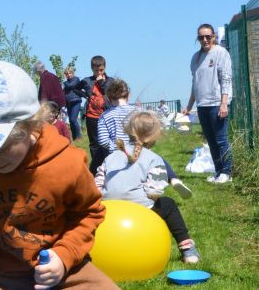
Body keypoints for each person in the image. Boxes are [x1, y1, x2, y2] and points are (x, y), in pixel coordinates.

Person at [0, 61, 118, 290]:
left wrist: (64, 256)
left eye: (0, 146)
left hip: (59, 273)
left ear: (31, 124)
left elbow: (87, 213)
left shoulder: (67, 163)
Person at [95, 111, 201, 264]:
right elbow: (154, 191)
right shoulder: (155, 158)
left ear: (128, 131)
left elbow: (97, 184)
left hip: (108, 207)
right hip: (140, 208)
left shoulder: (110, 156)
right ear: (154, 136)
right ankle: (187, 249)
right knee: (169, 205)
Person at [98, 80, 192, 199]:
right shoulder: (137, 111)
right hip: (139, 149)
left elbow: (102, 140)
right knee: (158, 161)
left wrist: (118, 147)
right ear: (129, 95)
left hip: (116, 153)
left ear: (108, 98)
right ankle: (172, 179)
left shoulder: (105, 116)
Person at [182, 23, 233, 184]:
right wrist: (189, 106)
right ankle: (218, 171)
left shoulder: (221, 53)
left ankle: (227, 172)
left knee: (221, 139)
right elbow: (195, 84)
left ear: (214, 37)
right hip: (202, 106)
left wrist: (224, 103)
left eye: (208, 36)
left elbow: (226, 79)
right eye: (201, 37)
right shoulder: (195, 58)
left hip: (217, 103)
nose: (205, 40)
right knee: (211, 141)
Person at [74, 55, 114, 174]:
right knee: (95, 144)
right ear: (92, 69)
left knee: (108, 142)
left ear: (105, 68)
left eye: (101, 70)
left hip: (107, 115)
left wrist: (101, 82)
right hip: (92, 116)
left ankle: (109, 165)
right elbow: (76, 88)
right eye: (96, 70)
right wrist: (85, 95)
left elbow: (108, 92)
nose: (98, 72)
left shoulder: (110, 81)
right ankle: (96, 169)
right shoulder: (87, 81)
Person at [63, 67, 84, 140]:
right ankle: (74, 137)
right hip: (68, 102)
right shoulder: (66, 83)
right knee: (71, 121)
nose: (68, 75)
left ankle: (78, 137)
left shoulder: (76, 79)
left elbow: (70, 86)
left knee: (73, 119)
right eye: (67, 74)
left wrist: (65, 82)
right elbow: (64, 92)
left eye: (70, 73)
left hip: (75, 101)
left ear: (73, 73)